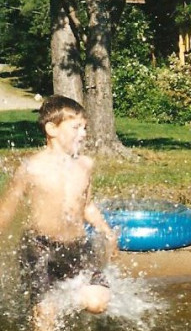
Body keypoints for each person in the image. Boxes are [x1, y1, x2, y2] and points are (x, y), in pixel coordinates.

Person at [0, 95, 118, 331]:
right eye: (76, 127)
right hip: (39, 247)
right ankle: (46, 307)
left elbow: (87, 205)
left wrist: (106, 231)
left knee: (97, 303)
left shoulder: (85, 165)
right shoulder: (31, 168)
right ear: (51, 129)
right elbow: (6, 210)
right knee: (45, 315)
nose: (83, 134)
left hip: (77, 246)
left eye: (85, 127)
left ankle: (62, 299)